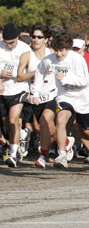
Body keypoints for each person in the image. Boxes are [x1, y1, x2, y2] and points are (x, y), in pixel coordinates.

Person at [33, 31, 89, 169]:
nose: (59, 54)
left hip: (82, 97)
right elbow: (39, 72)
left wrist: (65, 79)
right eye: (56, 51)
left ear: (68, 48)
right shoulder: (50, 59)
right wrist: (35, 92)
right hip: (64, 96)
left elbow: (84, 81)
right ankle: (62, 154)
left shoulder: (77, 59)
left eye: (62, 51)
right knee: (60, 120)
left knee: (85, 129)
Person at [17, 24, 58, 169]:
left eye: (39, 37)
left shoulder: (52, 54)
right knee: (43, 127)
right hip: (35, 95)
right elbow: (20, 76)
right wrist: (35, 73)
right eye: (33, 37)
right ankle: (64, 142)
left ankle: (43, 155)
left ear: (47, 39)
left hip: (52, 94)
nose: (35, 40)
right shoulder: (27, 56)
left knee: (44, 121)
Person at [0, 23, 31, 167]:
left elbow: (31, 70)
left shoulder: (25, 49)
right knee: (7, 122)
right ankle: (16, 142)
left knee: (13, 120)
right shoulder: (0, 46)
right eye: (6, 43)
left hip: (19, 88)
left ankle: (12, 154)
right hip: (3, 89)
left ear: (17, 38)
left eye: (11, 42)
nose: (9, 45)